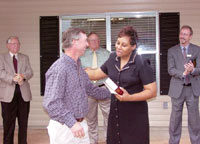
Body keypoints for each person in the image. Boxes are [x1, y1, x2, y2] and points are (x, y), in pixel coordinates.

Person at [85, 26, 157, 144]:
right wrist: (77, 70)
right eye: (118, 43)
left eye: (124, 45)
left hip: (135, 114)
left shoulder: (141, 62)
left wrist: (129, 97)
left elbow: (151, 91)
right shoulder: (113, 58)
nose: (118, 47)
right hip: (116, 112)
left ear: (133, 47)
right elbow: (97, 73)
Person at [43, 27, 111, 144]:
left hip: (80, 125)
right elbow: (51, 103)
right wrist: (72, 123)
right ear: (74, 42)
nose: (88, 44)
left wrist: (115, 92)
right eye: (85, 40)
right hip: (65, 128)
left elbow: (90, 89)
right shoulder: (59, 68)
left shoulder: (77, 65)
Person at [168, 25, 200, 144]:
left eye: (185, 34)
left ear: (190, 36)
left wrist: (193, 70)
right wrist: (183, 73)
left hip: (193, 90)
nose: (182, 36)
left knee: (194, 120)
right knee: (175, 120)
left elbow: (199, 69)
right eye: (181, 34)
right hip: (177, 90)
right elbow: (170, 70)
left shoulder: (197, 50)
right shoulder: (172, 51)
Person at [0, 36, 33, 144]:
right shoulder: (2, 57)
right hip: (7, 94)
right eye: (13, 43)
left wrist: (23, 76)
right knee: (8, 123)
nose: (16, 46)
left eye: (18, 43)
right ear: (8, 45)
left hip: (23, 94)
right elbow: (1, 72)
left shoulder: (25, 57)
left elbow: (30, 72)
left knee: (23, 122)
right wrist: (12, 78)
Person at [80, 32, 110, 144]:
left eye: (97, 40)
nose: (95, 42)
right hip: (88, 90)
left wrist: (94, 73)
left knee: (108, 117)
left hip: (103, 89)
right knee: (91, 118)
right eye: (92, 40)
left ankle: (109, 139)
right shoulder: (81, 55)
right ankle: (93, 141)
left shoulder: (107, 54)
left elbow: (111, 71)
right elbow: (78, 72)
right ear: (87, 42)